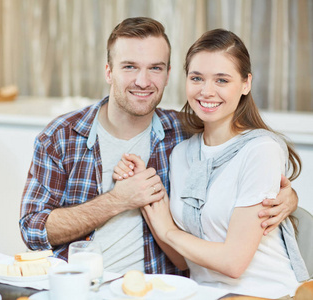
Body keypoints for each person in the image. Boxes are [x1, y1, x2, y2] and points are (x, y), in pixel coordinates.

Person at [19, 17, 298, 276]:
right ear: (109, 71)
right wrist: (118, 199)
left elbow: (239, 155)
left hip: (161, 288)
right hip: (80, 285)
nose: (143, 81)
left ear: (168, 74)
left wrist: (288, 198)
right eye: (130, 67)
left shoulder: (184, 133)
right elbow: (33, 230)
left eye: (155, 68)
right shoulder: (61, 136)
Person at [114, 29, 308, 297]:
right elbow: (184, 260)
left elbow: (233, 262)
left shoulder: (260, 149)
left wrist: (169, 231)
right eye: (197, 78)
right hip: (204, 293)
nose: (207, 91)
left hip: (264, 293)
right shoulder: (181, 154)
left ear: (245, 83)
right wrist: (145, 193)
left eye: (222, 80)